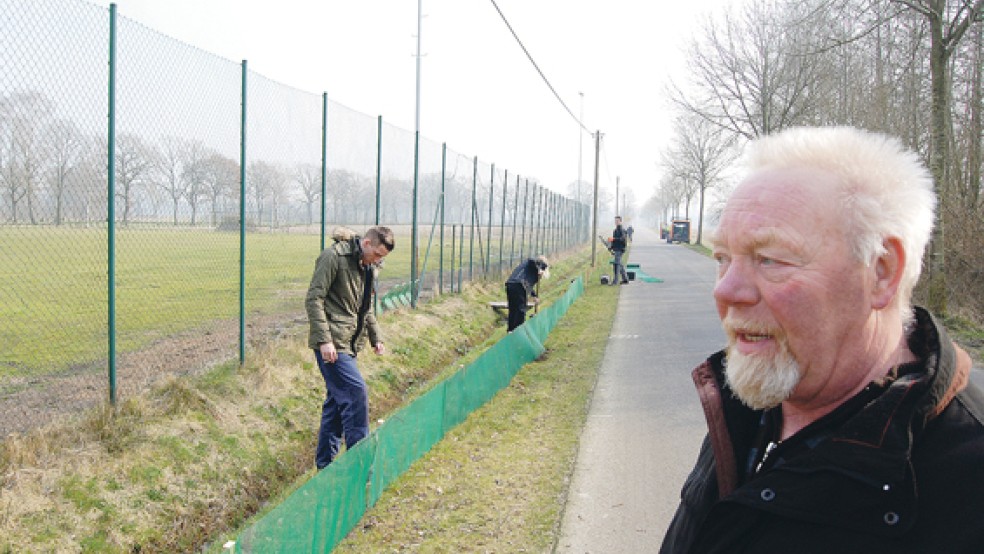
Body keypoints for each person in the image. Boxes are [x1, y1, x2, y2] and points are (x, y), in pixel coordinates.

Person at [660, 126, 984, 553]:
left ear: (881, 270)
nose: (725, 289)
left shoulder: (967, 476)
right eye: (723, 258)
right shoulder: (750, 402)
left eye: (769, 258)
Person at [305, 226, 395, 470]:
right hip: (333, 342)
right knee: (355, 393)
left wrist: (376, 337)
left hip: (350, 342)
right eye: (377, 255)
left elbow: (364, 307)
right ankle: (359, 464)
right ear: (366, 243)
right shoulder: (333, 257)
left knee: (336, 404)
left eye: (382, 258)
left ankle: (325, 466)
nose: (379, 261)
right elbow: (314, 298)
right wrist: (325, 340)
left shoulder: (368, 267)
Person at [504, 255, 549, 332]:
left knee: (513, 309)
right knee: (520, 310)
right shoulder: (531, 264)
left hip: (511, 284)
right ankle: (519, 331)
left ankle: (511, 331)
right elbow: (531, 260)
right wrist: (540, 268)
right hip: (518, 285)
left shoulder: (532, 272)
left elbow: (529, 285)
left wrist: (534, 296)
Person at [611, 216, 629, 285]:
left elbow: (622, 239)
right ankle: (625, 279)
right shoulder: (615, 230)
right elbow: (614, 241)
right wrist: (611, 246)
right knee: (620, 264)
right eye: (615, 221)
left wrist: (614, 239)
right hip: (616, 249)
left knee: (616, 264)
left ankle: (615, 281)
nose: (616, 222)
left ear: (621, 221)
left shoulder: (622, 230)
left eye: (617, 221)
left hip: (620, 249)